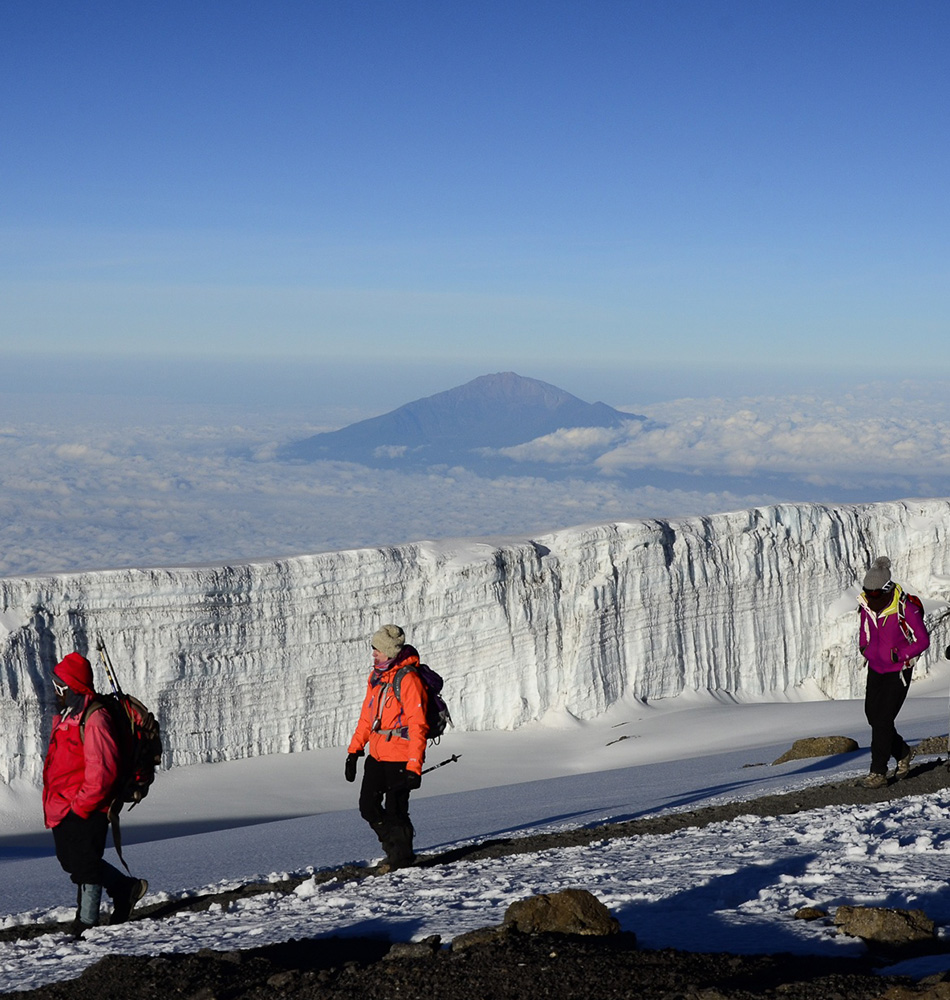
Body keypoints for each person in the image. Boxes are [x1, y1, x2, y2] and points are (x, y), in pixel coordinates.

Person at [43, 652, 148, 934]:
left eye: (59, 686)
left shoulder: (95, 717)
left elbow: (102, 771)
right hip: (63, 804)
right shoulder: (69, 714)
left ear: (71, 687)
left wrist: (81, 805)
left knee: (85, 863)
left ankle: (86, 922)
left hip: (87, 805)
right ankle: (126, 888)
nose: (55, 692)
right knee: (71, 860)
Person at [345, 624, 428, 872]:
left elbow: (418, 725)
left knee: (396, 810)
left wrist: (415, 766)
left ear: (389, 652)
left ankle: (400, 860)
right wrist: (354, 751)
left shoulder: (408, 680)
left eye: (377, 650)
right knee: (367, 807)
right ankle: (394, 846)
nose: (373, 654)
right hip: (378, 756)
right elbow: (366, 719)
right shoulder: (377, 677)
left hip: (401, 757)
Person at [857, 557, 930, 789]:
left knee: (883, 720)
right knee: (873, 716)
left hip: (898, 670)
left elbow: (922, 640)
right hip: (876, 667)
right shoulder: (866, 605)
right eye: (867, 591)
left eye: (875, 593)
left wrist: (899, 656)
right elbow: (863, 630)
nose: (871, 596)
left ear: (887, 589)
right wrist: (864, 648)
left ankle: (878, 772)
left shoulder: (904, 607)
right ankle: (903, 752)